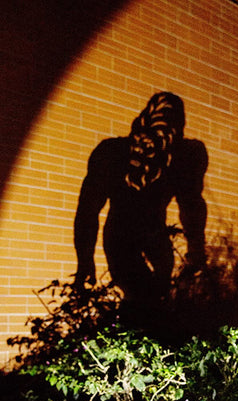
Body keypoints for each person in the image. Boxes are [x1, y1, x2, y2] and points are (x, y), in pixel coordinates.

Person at [74, 92, 208, 313]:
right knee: (142, 298)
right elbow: (88, 209)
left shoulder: (182, 157)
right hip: (121, 238)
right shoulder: (111, 153)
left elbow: (191, 204)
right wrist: (85, 259)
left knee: (156, 299)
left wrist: (196, 250)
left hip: (155, 236)